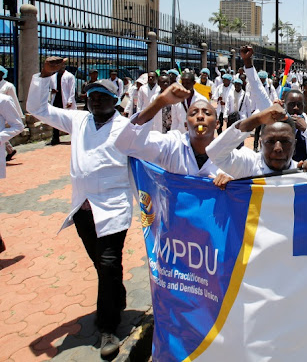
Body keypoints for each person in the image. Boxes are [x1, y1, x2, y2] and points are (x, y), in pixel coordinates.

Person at [27, 57, 134, 358]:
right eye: (92, 96)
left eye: (103, 97)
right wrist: (44, 76)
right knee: (103, 266)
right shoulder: (78, 120)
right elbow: (37, 110)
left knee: (109, 263)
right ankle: (118, 293)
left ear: (115, 100)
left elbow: (154, 155)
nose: (96, 101)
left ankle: (107, 327)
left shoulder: (125, 127)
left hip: (113, 210)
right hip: (84, 211)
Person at [114, 83, 231, 188]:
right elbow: (127, 144)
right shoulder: (171, 145)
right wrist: (159, 102)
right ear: (186, 125)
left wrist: (231, 181)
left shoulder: (231, 156)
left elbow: (245, 182)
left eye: (206, 113)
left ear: (217, 124)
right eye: (194, 113)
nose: (200, 117)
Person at [207, 103, 302, 177]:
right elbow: (214, 153)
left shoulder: (303, 173)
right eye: (270, 141)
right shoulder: (249, 166)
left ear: (294, 145)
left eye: (285, 141)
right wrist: (257, 119)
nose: (278, 148)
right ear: (261, 144)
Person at [48, 61, 76, 145]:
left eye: (62, 65)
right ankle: (55, 137)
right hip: (56, 100)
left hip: (66, 100)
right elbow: (49, 88)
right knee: (55, 119)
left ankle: (74, 137)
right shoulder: (52, 77)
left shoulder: (69, 76)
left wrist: (70, 100)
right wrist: (51, 91)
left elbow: (72, 89)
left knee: (69, 119)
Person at [0, 65, 22, 160]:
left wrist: (17, 115)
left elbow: (14, 101)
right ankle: (10, 150)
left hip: (7, 114)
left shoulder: (8, 86)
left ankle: (10, 150)